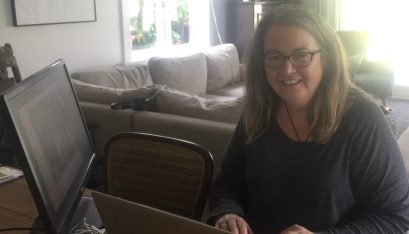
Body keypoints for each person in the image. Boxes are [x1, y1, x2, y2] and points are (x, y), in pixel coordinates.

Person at [208, 5, 409, 234]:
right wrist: (228, 213)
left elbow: (395, 218)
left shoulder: (363, 120)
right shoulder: (257, 113)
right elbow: (227, 185)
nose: (287, 70)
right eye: (274, 57)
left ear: (327, 58)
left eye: (301, 55)